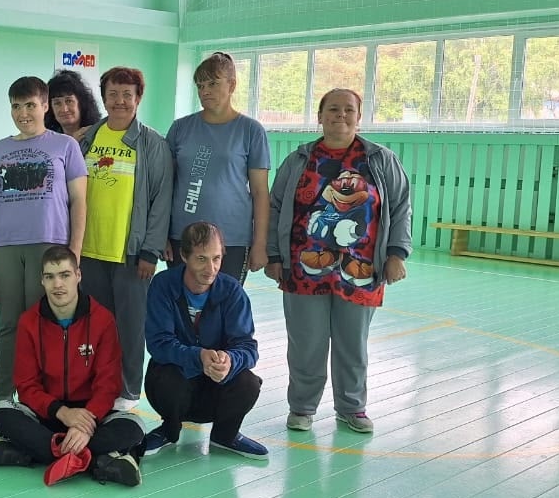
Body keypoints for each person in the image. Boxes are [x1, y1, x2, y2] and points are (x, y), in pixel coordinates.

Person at [265, 88, 412, 434]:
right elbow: (275, 207)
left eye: (349, 109)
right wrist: (273, 255)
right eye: (333, 109)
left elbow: (401, 206)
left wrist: (397, 253)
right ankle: (302, 407)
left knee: (352, 344)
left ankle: (352, 407)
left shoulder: (380, 159)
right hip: (303, 268)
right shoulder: (299, 159)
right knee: (306, 343)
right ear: (320, 116)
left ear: (359, 117)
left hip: (362, 269)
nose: (340, 115)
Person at [0, 76, 88, 425]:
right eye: (16, 106)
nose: (23, 113)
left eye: (30, 105)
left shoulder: (65, 146)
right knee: (10, 324)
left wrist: (74, 251)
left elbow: (79, 201)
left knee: (43, 323)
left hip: (49, 246)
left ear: (44, 106)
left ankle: (41, 400)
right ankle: (3, 399)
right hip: (4, 246)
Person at [0, 246, 145, 486]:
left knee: (135, 426)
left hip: (90, 415)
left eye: (65, 275)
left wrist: (85, 424)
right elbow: (26, 385)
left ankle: (37, 451)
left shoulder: (103, 319)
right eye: (50, 277)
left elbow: (108, 384)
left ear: (78, 275)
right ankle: (99, 459)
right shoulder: (29, 322)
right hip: (47, 413)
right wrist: (62, 413)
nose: (57, 284)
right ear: (42, 280)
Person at [78, 66, 173, 413]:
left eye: (127, 95)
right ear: (103, 98)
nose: (120, 101)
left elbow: (161, 200)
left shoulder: (153, 144)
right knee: (95, 325)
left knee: (130, 327)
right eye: (113, 94)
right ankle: (99, 384)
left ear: (138, 98)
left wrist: (150, 250)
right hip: (89, 250)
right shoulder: (86, 139)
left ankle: (129, 389)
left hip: (130, 254)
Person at [142, 221, 266, 459]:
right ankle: (169, 430)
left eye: (216, 258)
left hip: (215, 387)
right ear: (184, 256)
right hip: (177, 385)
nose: (211, 268)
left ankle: (225, 436)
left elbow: (248, 348)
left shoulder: (232, 291)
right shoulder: (163, 285)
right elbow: (158, 344)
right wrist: (198, 356)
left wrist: (229, 360)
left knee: (248, 383)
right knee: (166, 378)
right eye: (201, 259)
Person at [166, 51, 271, 283]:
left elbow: (260, 192)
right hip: (182, 235)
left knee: (224, 302)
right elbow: (165, 186)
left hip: (231, 238)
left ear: (232, 85)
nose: (205, 91)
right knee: (182, 302)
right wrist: (161, 234)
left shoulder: (250, 130)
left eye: (213, 83)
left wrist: (260, 243)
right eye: (200, 85)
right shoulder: (180, 128)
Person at [44, 69, 101, 140]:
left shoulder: (97, 134)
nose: (64, 109)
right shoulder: (47, 139)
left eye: (69, 101)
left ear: (82, 103)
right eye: (57, 103)